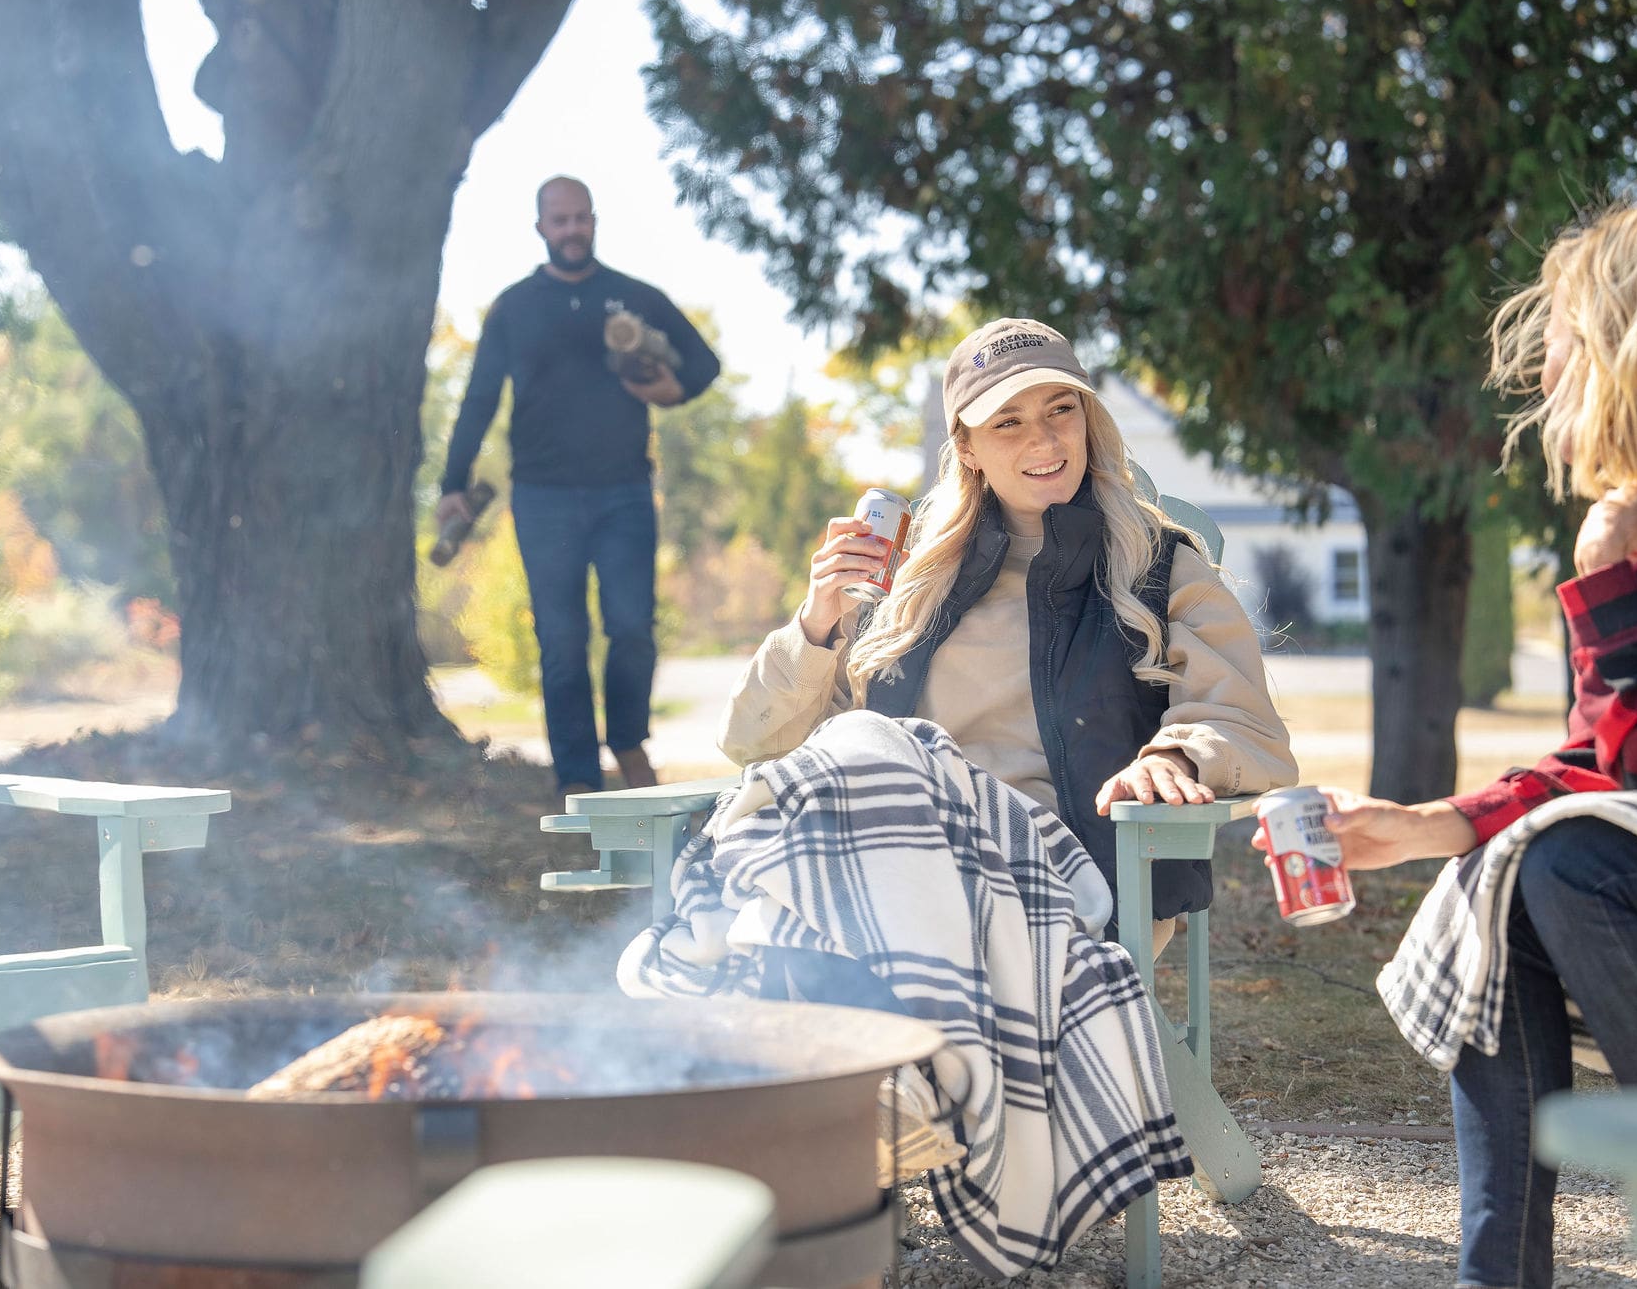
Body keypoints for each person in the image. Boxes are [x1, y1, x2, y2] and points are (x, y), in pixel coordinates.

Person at [1300, 189, 1637, 1289]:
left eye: (1564, 345)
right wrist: (1424, 825)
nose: (1541, 378)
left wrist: (1596, 582)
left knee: (1566, 865)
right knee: (1494, 884)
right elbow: (1603, 759)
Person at [721, 315, 1297, 953]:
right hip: (907, 856)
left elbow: (1242, 717)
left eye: (1060, 410)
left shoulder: (1157, 567)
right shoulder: (912, 585)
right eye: (1008, 422)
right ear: (966, 447)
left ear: (1088, 419)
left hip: (1077, 886)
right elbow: (759, 746)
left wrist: (1175, 756)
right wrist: (815, 623)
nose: (1045, 441)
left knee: (841, 951)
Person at [439, 176, 720, 795]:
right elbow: (480, 397)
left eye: (580, 218)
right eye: (559, 221)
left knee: (631, 627)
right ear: (540, 228)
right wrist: (452, 482)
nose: (572, 230)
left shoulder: (632, 298)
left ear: (594, 220)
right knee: (561, 639)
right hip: (543, 498)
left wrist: (668, 392)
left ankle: (627, 741)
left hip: (624, 492)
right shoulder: (513, 308)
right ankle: (577, 779)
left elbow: (704, 366)